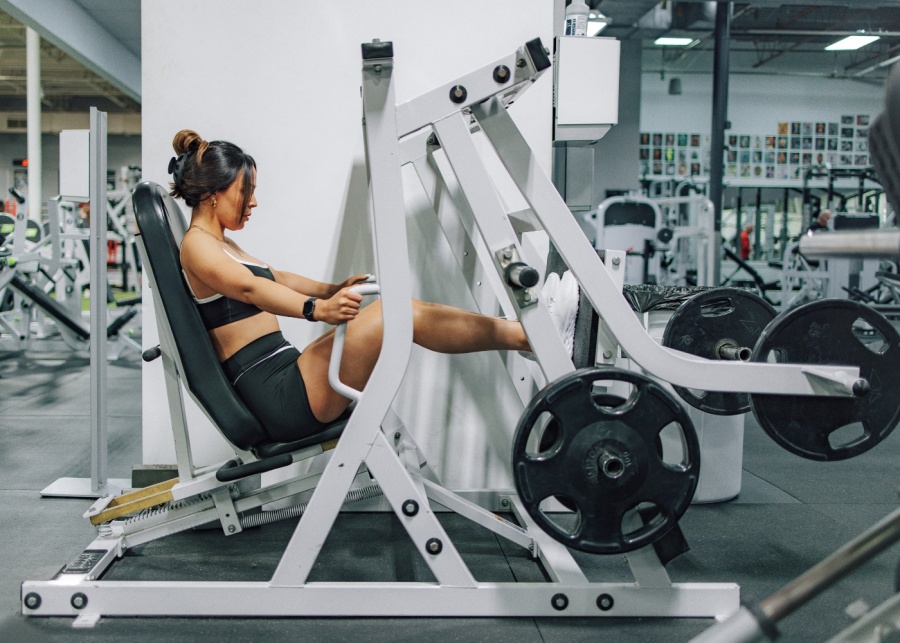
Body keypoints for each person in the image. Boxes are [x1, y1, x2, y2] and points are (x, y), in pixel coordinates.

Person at [171, 130, 579, 443]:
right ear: (212, 194)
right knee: (393, 314)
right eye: (246, 191)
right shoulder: (197, 247)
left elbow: (275, 278)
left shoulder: (221, 244)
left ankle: (526, 334)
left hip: (286, 374)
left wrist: (330, 289)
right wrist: (316, 310)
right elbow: (250, 289)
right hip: (279, 396)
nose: (253, 202)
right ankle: (529, 336)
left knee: (399, 310)